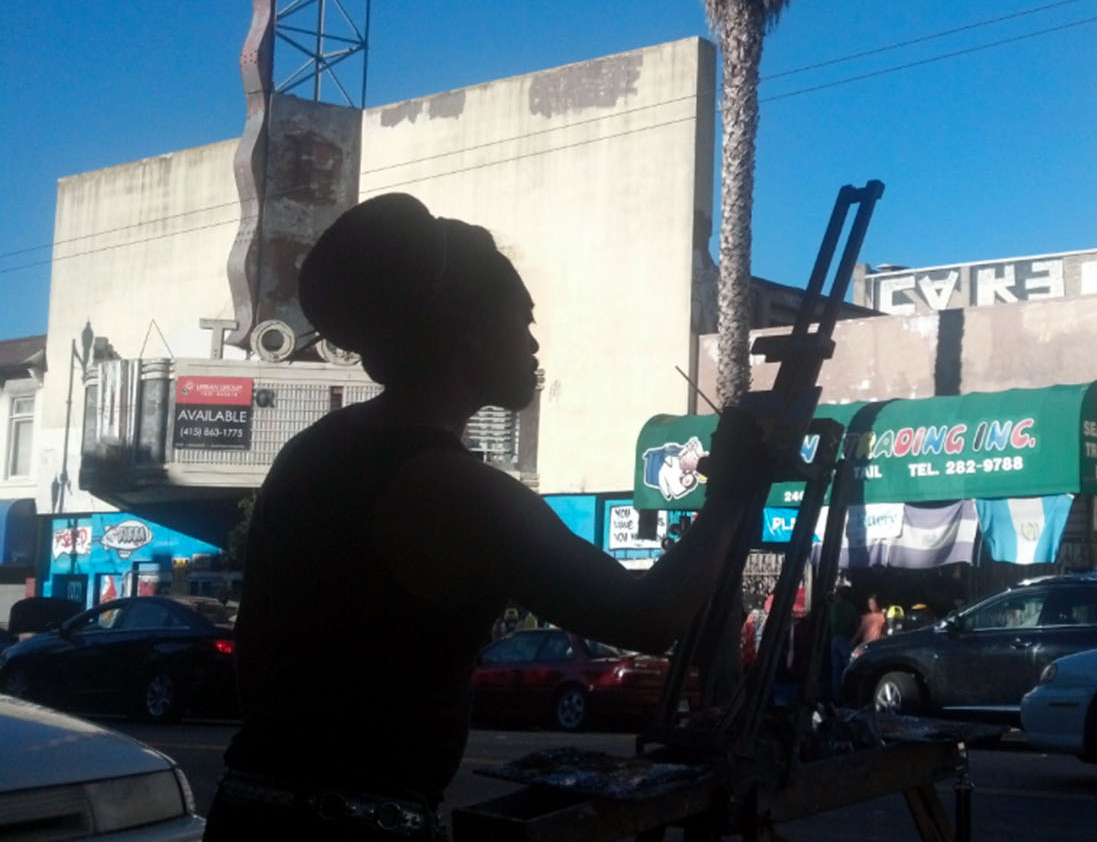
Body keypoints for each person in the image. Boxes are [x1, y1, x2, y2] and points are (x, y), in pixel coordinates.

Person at [204, 194, 767, 841]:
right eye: (521, 320)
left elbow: (257, 653)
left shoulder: (312, 451)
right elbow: (649, 616)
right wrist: (729, 493)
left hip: (248, 814)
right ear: (470, 331)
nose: (532, 342)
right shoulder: (458, 492)